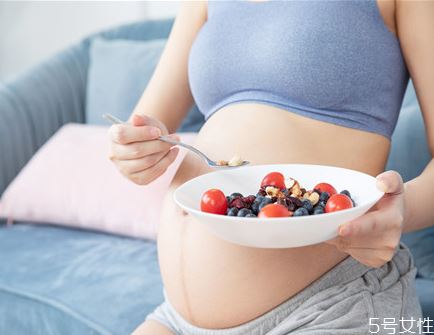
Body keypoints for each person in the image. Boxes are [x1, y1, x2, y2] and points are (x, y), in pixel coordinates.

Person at [109, 1, 434, 334]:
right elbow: (142, 130)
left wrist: (400, 211)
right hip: (175, 320)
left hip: (331, 306)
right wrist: (134, 150)